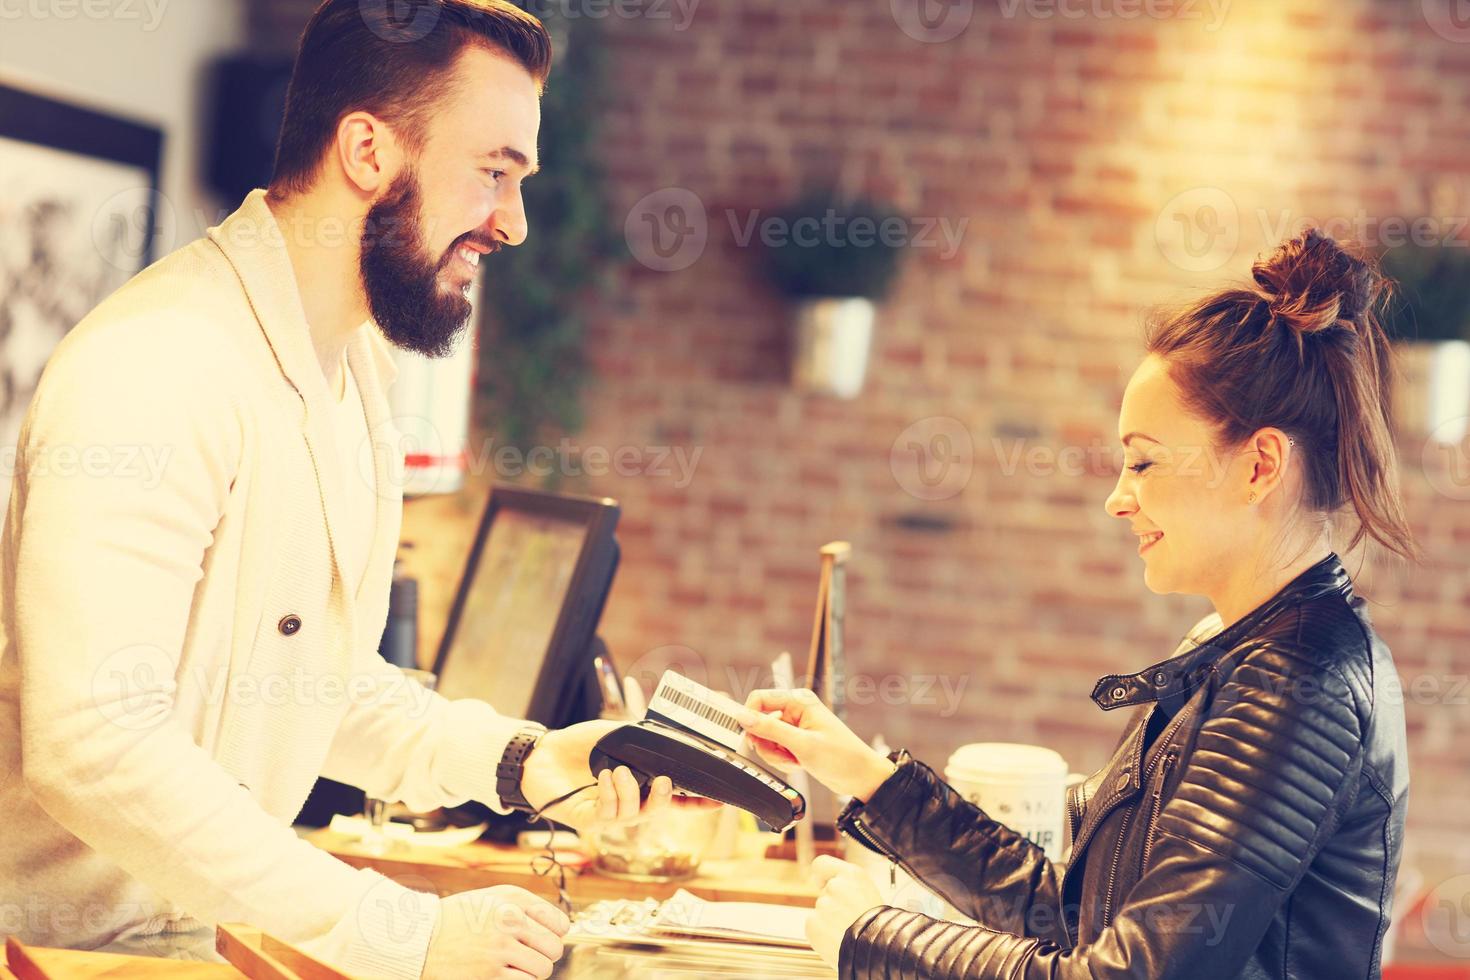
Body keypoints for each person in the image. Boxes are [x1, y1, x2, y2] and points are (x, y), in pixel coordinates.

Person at [0, 3, 678, 978]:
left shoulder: (354, 371)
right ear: (366, 149)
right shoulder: (159, 367)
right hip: (47, 950)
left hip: (179, 945)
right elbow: (95, 744)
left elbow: (318, 681)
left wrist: (533, 761)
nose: (514, 223)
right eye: (494, 171)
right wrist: (402, 930)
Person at [741, 230, 1413, 978]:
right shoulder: (1235, 646)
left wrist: (870, 941)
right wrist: (863, 772)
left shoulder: (1298, 681)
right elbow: (1073, 913)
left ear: (1259, 465)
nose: (1117, 499)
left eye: (1145, 461)